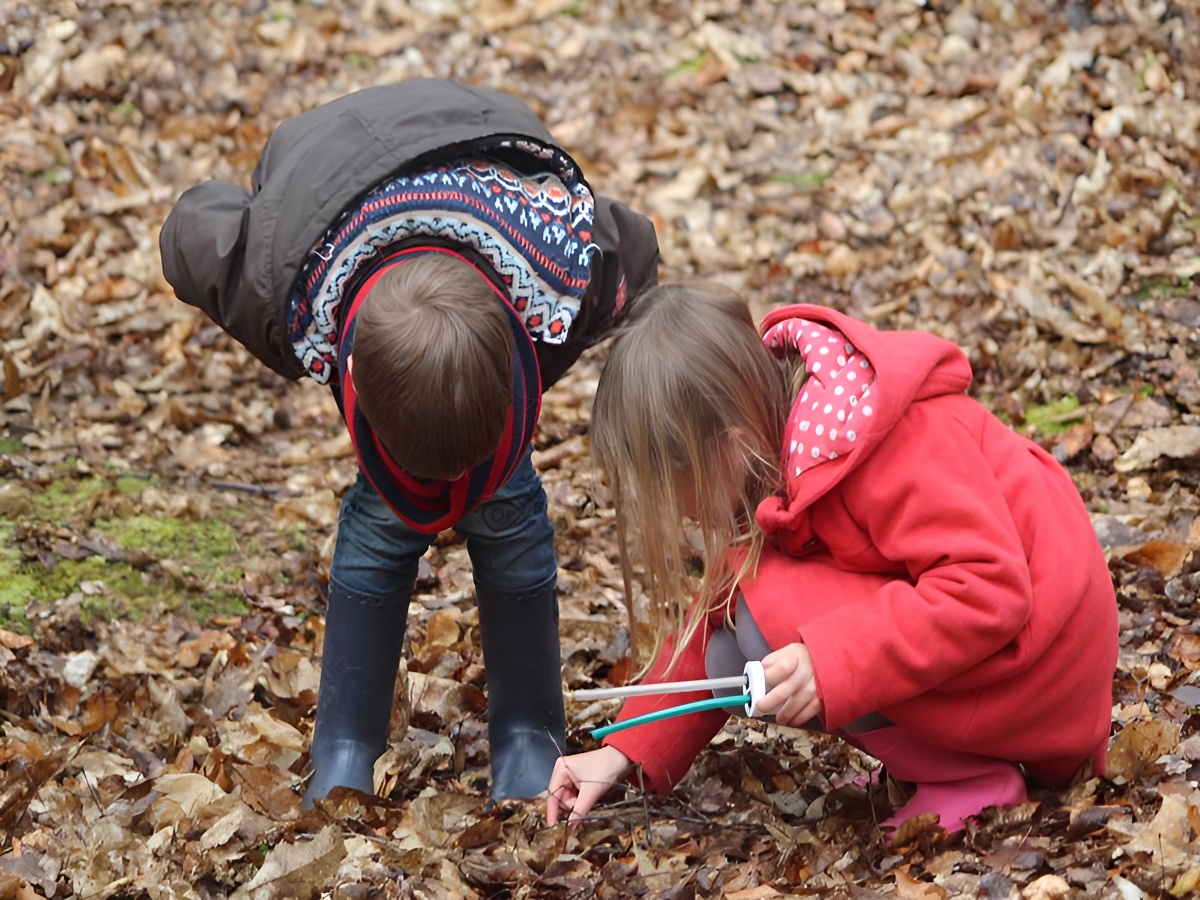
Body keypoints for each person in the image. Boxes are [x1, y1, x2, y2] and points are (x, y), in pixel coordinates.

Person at [159, 79, 659, 806]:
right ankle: (345, 745)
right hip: (325, 168)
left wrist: (561, 351)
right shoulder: (278, 288)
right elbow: (194, 227)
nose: (447, 503)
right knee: (381, 524)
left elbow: (631, 244)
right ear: (353, 377)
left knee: (508, 513)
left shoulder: (561, 270)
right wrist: (271, 211)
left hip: (485, 143)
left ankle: (529, 732)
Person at [546, 283, 1117, 833]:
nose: (682, 517)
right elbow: (715, 617)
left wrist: (829, 661)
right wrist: (623, 752)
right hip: (1002, 662)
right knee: (730, 652)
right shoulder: (775, 440)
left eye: (675, 491)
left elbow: (988, 588)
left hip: (1044, 665)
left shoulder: (885, 440)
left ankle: (970, 778)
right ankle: (934, 763)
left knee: (764, 623)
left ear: (730, 446)